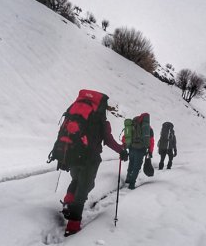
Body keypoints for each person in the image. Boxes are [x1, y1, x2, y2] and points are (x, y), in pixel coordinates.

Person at [60, 92, 128, 236]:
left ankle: (68, 201)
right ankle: (73, 226)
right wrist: (121, 150)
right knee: (85, 188)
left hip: (72, 154)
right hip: (89, 159)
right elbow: (109, 140)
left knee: (76, 180)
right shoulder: (101, 121)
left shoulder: (76, 113)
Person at [123, 113, 155, 189]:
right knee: (136, 167)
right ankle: (132, 183)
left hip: (132, 148)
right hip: (141, 149)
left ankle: (128, 177)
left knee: (131, 163)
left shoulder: (132, 125)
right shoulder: (147, 127)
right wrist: (150, 151)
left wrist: (125, 145)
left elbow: (125, 137)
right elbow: (151, 141)